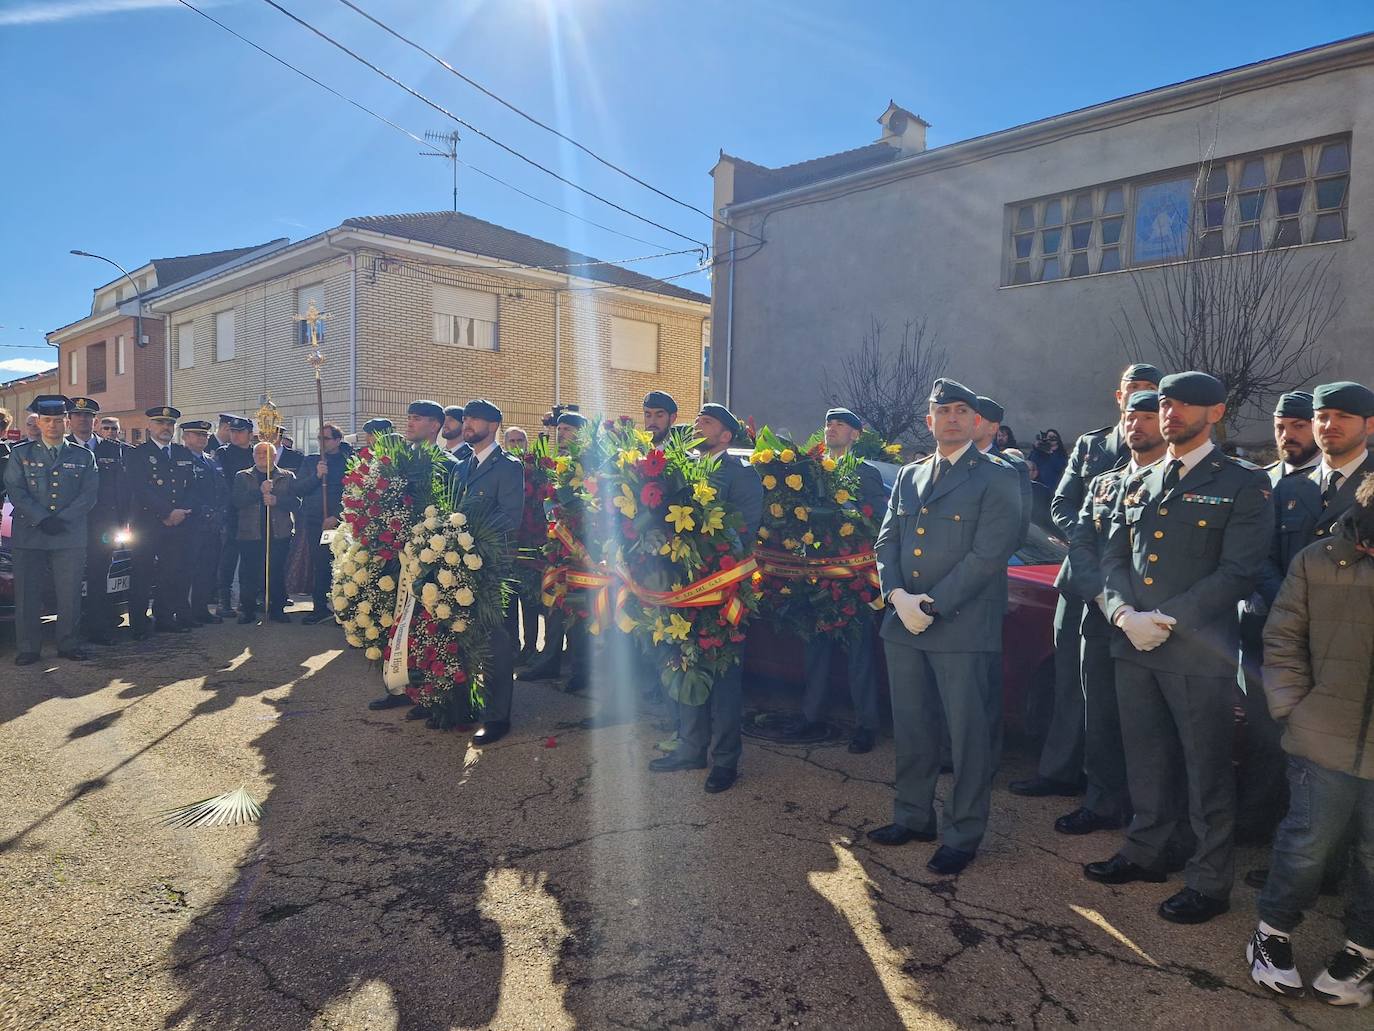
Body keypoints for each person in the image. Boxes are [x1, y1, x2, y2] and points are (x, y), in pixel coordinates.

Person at [1085, 371, 1273, 925]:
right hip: (1132, 643)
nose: (1171, 412)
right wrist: (1120, 611)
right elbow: (1113, 556)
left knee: (1206, 769)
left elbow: (1239, 571)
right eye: (1165, 403)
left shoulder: (1242, 482)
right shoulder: (1139, 478)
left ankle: (1211, 881)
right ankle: (1144, 851)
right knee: (1145, 756)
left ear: (1216, 413)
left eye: (1186, 404)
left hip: (1194, 651)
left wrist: (1166, 619)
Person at [866, 378, 1021, 874]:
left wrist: (929, 605)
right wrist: (895, 595)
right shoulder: (911, 475)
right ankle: (912, 816)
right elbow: (886, 541)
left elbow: (989, 555)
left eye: (961, 410)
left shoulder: (997, 477)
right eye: (942, 410)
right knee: (912, 728)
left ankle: (963, 831)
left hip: (961, 626)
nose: (952, 418)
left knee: (968, 735)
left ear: (976, 422)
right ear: (928, 420)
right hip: (903, 623)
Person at [1246, 474, 1374, 1007]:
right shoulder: (1317, 561)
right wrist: (1294, 711)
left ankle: (1361, 949)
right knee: (1307, 843)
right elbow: (1282, 640)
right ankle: (1272, 933)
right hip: (1322, 734)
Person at [1246, 380, 1374, 891]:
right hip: (1283, 641)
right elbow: (1259, 557)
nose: (1327, 425)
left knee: (1344, 762)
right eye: (1322, 416)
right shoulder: (1288, 486)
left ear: (1369, 425)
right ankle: (1289, 854)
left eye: (1342, 416)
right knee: (1275, 744)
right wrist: (1290, 609)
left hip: (1351, 653)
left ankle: (1332, 869)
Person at [1012, 362, 1161, 799]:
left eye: (1150, 392)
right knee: (1069, 680)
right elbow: (1062, 502)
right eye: (1132, 390)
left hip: (1135, 587)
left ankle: (1116, 786)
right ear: (1118, 397)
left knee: (1122, 691)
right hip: (1080, 577)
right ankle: (1059, 771)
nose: (1140, 398)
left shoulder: (1168, 451)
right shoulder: (1093, 445)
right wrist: (1088, 538)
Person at [1058, 390, 1168, 837]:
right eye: (1129, 416)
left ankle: (1154, 821)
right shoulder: (1106, 482)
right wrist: (1112, 607)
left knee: (1151, 730)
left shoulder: (1182, 481)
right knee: (1100, 716)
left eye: (1146, 416)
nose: (1135, 425)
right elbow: (1084, 548)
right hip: (1106, 618)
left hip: (1159, 624)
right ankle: (1101, 802)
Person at [648, 403, 762, 794]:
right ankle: (691, 748)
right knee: (682, 664)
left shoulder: (740, 474)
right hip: (679, 587)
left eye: (707, 422)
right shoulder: (679, 467)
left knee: (724, 677)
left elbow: (745, 531)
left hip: (721, 588)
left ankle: (725, 759)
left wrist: (705, 553)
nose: (698, 425)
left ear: (726, 435)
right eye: (697, 420)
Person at [1236, 390, 1322, 846]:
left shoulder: (1328, 487)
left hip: (1318, 634)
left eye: (1299, 426)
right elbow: (1253, 558)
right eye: (1281, 426)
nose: (1287, 435)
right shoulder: (1261, 482)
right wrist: (1289, 608)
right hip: (1264, 627)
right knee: (1261, 732)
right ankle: (1254, 826)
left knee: (1305, 740)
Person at [788, 408, 889, 753]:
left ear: (855, 435)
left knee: (859, 654)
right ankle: (811, 716)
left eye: (840, 424)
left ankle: (866, 725)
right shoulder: (809, 470)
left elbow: (879, 521)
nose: (831, 427)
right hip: (816, 575)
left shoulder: (866, 472)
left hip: (851, 576)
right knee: (814, 650)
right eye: (828, 422)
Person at [4, 395, 99, 665]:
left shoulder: (83, 455)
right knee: (27, 593)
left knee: (69, 593)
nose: (53, 426)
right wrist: (42, 518)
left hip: (69, 535)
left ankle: (68, 644)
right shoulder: (22, 453)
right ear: (39, 423)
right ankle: (29, 648)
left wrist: (62, 519)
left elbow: (89, 495)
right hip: (30, 533)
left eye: (59, 420)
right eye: (48, 421)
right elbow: (15, 489)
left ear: (66, 422)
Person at [454, 399, 525, 744]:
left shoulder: (508, 467)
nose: (467, 424)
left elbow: (510, 518)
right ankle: (465, 703)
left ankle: (497, 718)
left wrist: (469, 540)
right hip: (458, 566)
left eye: (475, 419)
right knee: (464, 635)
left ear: (494, 425)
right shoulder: (461, 466)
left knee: (497, 641)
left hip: (492, 567)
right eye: (465, 418)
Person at [520, 411, 590, 684]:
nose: (561, 433)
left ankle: (580, 669)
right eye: (559, 428)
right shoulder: (555, 464)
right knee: (553, 604)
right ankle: (549, 660)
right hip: (554, 544)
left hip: (578, 547)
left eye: (568, 429)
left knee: (577, 608)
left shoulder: (588, 463)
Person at [126, 406, 198, 639]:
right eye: (160, 423)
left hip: (177, 524)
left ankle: (165, 618)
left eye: (169, 424)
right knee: (142, 574)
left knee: (171, 572)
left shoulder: (182, 453)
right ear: (150, 426)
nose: (165, 428)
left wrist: (180, 512)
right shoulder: (137, 454)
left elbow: (192, 487)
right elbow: (140, 488)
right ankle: (138, 623)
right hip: (148, 524)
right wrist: (167, 512)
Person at [65, 396, 128, 644]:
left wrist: (123, 522)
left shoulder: (112, 449)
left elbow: (122, 490)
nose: (83, 419)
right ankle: (69, 630)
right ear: (69, 420)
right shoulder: (61, 448)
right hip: (70, 525)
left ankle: (97, 628)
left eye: (88, 416)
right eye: (78, 415)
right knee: (68, 579)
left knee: (99, 577)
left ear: (96, 421)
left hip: (103, 526)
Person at [232, 441, 300, 625]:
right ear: (253, 456)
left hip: (279, 532)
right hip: (250, 533)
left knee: (276, 571)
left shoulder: (286, 476)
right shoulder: (243, 476)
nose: (262, 456)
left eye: (266, 453)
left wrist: (277, 500)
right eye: (259, 453)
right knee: (249, 573)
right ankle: (247, 609)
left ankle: (277, 608)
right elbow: (236, 501)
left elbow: (296, 502)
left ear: (274, 456)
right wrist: (258, 492)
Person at [295, 422, 353, 625]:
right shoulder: (311, 461)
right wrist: (317, 476)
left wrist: (336, 516)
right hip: (314, 522)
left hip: (339, 523)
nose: (321, 442)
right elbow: (298, 488)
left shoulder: (348, 462)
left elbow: (352, 493)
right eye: (319, 438)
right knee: (319, 564)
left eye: (325, 438)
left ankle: (343, 608)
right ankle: (319, 607)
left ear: (337, 440)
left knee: (342, 565)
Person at [181, 420, 227, 624]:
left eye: (205, 435)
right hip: (191, 524)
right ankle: (183, 612)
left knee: (207, 569)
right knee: (187, 570)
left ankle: (200, 609)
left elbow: (222, 490)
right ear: (185, 437)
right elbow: (183, 492)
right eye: (196, 435)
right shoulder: (180, 460)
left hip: (212, 525)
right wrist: (200, 510)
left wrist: (220, 512)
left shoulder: (212, 460)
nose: (202, 438)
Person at [216, 415, 255, 615]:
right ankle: (224, 601)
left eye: (240, 432)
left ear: (250, 434)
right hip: (231, 511)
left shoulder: (255, 453)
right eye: (232, 431)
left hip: (253, 512)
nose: (235, 435)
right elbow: (222, 484)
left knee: (250, 558)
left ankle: (248, 600)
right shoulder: (223, 453)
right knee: (229, 557)